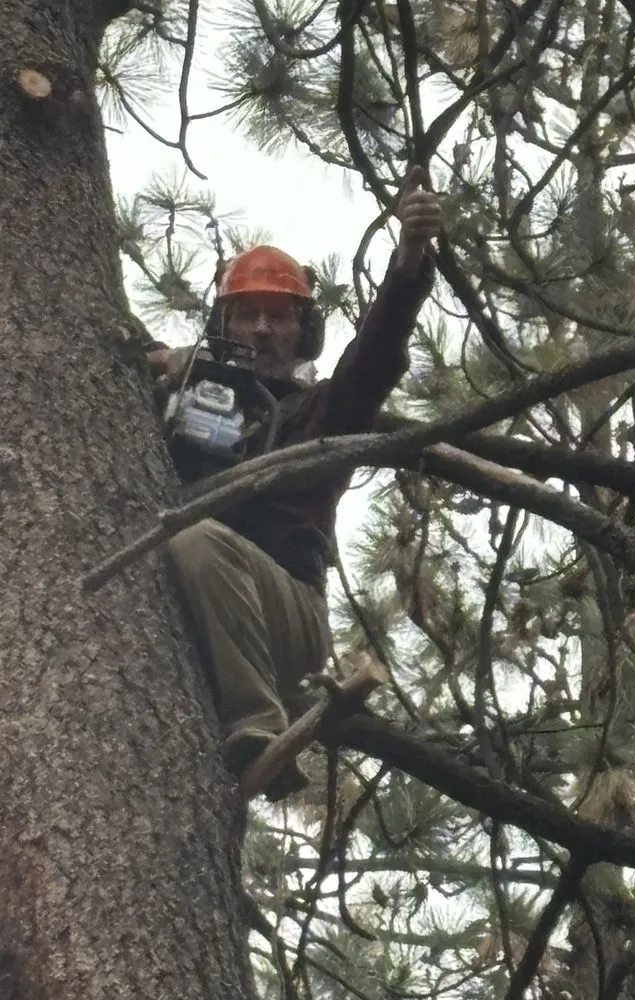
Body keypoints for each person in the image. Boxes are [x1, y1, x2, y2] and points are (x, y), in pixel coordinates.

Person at [146, 167, 441, 801]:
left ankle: (258, 730)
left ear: (301, 331)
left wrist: (409, 263)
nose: (260, 329)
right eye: (247, 314)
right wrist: (151, 374)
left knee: (195, 540)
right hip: (218, 610)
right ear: (224, 325)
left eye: (277, 317)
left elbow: (375, 357)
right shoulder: (188, 407)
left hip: (290, 618)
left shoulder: (323, 412)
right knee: (185, 545)